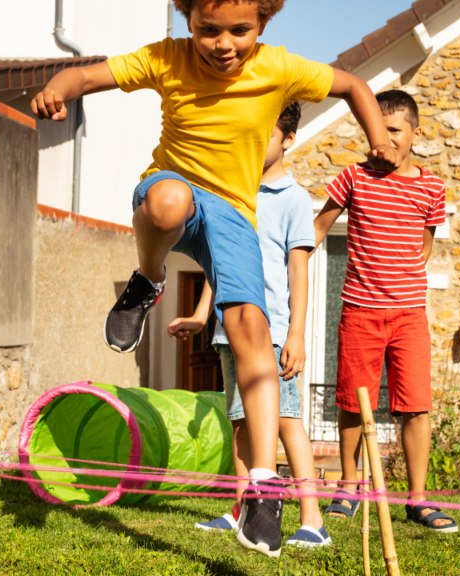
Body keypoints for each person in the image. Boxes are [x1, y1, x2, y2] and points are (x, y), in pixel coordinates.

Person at [31, 0, 399, 556]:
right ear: (187, 21)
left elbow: (351, 85)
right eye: (208, 30)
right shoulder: (169, 59)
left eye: (239, 30)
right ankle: (148, 280)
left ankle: (265, 484)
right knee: (169, 202)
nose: (223, 43)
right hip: (172, 187)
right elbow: (87, 73)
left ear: (264, 23)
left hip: (234, 214)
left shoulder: (278, 67)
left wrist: (378, 138)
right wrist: (59, 84)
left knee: (252, 328)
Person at [168, 103, 328, 548]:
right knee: (240, 421)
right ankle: (244, 509)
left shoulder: (294, 199)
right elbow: (223, 264)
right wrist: (203, 315)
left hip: (272, 333)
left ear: (288, 140)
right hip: (228, 329)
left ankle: (313, 519)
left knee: (285, 421)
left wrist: (296, 333)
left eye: (266, 136)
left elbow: (299, 270)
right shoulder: (233, 194)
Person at [312, 90, 457, 533]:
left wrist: (399, 285)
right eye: (377, 130)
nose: (384, 139)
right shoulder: (353, 177)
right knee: (354, 402)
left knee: (415, 404)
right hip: (359, 311)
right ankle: (350, 486)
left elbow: (424, 247)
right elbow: (317, 230)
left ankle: (418, 500)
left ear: (415, 133)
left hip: (409, 315)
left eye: (394, 130)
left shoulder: (431, 188)